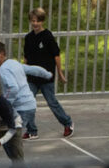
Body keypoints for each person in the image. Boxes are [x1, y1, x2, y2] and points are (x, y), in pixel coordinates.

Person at [0, 41, 51, 168]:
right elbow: (33, 69)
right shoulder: (14, 63)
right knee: (9, 140)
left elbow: (13, 88)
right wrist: (47, 74)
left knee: (11, 144)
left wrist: (3, 105)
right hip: (30, 106)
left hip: (21, 109)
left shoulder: (3, 69)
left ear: (2, 54)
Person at [22, 7, 74, 138]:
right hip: (32, 78)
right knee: (28, 103)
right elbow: (26, 58)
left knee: (52, 102)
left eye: (38, 21)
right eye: (33, 21)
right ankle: (31, 131)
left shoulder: (47, 36)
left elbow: (56, 55)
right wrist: (22, 73)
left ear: (42, 21)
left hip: (46, 77)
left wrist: (60, 73)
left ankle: (68, 123)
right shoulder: (28, 38)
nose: (35, 23)